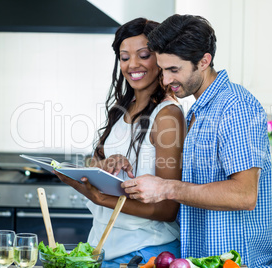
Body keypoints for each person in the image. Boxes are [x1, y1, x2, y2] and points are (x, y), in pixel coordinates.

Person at [121, 14, 272, 267]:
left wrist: (166, 188)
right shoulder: (200, 110)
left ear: (204, 61)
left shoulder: (236, 106)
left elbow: (244, 195)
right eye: (163, 69)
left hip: (239, 262)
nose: (165, 80)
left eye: (174, 70)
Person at [54, 17, 186, 267]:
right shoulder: (123, 109)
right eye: (124, 58)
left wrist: (100, 198)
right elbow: (99, 162)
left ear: (161, 57)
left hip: (146, 251)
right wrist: (102, 166)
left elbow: (168, 210)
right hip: (104, 247)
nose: (132, 64)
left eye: (144, 55)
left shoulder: (168, 116)